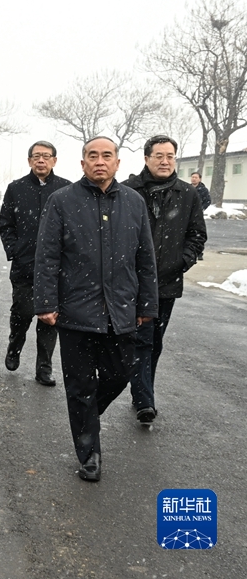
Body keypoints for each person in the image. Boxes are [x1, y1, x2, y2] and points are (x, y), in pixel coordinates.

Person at [35, 136, 158, 482]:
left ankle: (86, 414)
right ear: (82, 163)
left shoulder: (134, 203)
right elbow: (47, 257)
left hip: (121, 310)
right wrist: (45, 303)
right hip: (75, 312)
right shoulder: (62, 201)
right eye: (93, 156)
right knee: (79, 385)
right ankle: (89, 454)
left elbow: (145, 258)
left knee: (121, 373)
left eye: (107, 156)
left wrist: (146, 302)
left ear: (118, 163)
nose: (99, 161)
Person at [123, 136, 206, 424]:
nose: (165, 161)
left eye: (170, 156)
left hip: (167, 283)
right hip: (130, 282)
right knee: (140, 340)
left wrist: (181, 262)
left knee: (154, 341)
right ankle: (145, 399)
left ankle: (140, 390)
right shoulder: (128, 191)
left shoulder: (187, 194)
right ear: (146, 158)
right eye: (159, 155)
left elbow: (197, 235)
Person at [0, 140, 71, 386]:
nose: (41, 160)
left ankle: (44, 368)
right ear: (29, 160)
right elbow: (5, 225)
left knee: (50, 317)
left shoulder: (66, 190)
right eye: (36, 156)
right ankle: (14, 346)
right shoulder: (16, 189)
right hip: (24, 264)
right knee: (23, 312)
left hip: (56, 268)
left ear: (54, 160)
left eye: (46, 156)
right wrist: (15, 250)